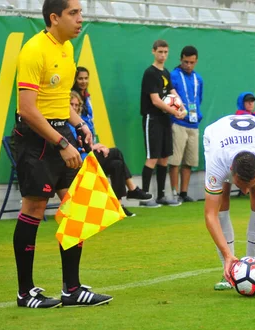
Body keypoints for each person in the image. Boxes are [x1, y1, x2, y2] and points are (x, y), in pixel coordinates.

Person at [11, 0, 112, 308]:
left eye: (80, 13)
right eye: (74, 13)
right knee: (34, 209)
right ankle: (25, 292)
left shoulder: (67, 49)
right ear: (54, 18)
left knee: (77, 208)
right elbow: (28, 110)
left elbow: (57, 100)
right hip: (37, 140)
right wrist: (61, 142)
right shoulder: (33, 50)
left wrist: (79, 123)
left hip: (61, 134)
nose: (81, 19)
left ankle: (72, 289)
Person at [204, 115, 255, 291]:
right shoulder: (218, 161)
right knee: (222, 199)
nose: (245, 191)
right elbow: (210, 214)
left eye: (250, 184)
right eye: (241, 186)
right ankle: (229, 269)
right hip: (217, 137)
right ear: (231, 171)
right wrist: (227, 255)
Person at [71, 70, 153, 204]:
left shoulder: (86, 98)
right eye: (80, 78)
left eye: (86, 78)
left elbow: (89, 127)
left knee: (117, 164)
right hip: (82, 156)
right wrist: (95, 146)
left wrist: (96, 145)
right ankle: (132, 189)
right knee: (116, 152)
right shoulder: (71, 117)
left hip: (89, 149)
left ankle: (118, 205)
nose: (84, 81)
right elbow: (76, 141)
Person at [140, 39, 186, 208]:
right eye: (160, 52)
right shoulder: (150, 73)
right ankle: (145, 197)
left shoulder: (166, 72)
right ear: (153, 51)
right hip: (152, 119)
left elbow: (172, 92)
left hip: (165, 119)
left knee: (164, 157)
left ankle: (160, 196)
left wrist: (183, 108)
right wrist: (175, 112)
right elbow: (156, 100)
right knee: (152, 157)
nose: (163, 55)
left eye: (166, 52)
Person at [168, 46, 203, 203]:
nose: (189, 65)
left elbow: (198, 99)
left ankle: (184, 192)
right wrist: (178, 113)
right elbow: (169, 97)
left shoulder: (198, 79)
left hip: (194, 124)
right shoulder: (173, 75)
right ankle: (174, 193)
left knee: (190, 161)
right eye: (186, 62)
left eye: (192, 62)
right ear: (180, 59)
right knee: (175, 160)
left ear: (196, 61)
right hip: (178, 122)